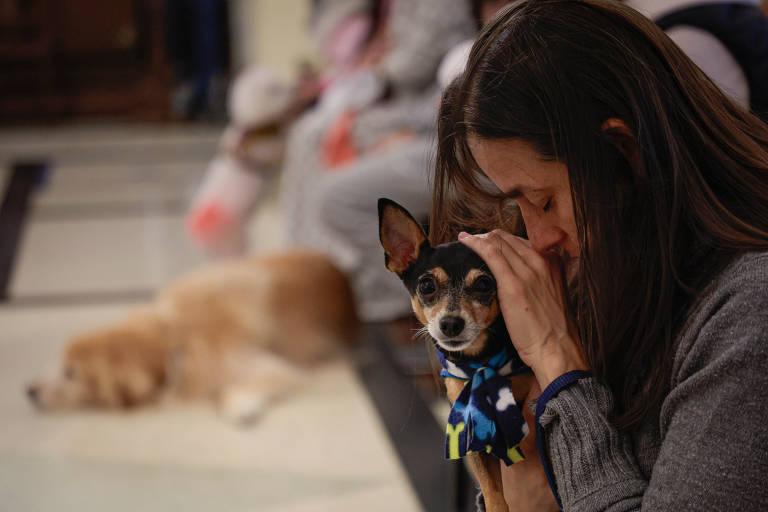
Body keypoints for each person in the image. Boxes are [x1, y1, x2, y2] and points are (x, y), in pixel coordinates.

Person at [432, 0, 768, 510]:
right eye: (517, 205)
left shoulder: (749, 311)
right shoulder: (613, 267)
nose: (538, 237)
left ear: (623, 153)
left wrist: (557, 357)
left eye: (545, 201)